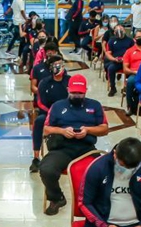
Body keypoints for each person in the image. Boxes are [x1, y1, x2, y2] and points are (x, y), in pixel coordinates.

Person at [41, 74, 109, 215]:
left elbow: (104, 128)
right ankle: (57, 197)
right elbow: (46, 129)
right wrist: (62, 131)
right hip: (62, 148)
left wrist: (88, 130)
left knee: (105, 172)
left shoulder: (95, 105)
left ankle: (95, 202)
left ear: (86, 91)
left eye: (80, 93)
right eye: (74, 92)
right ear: (68, 90)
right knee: (47, 170)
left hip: (86, 148)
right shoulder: (57, 106)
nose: (77, 95)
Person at [31, 55, 71, 173]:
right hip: (48, 113)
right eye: (56, 65)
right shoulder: (44, 82)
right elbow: (40, 102)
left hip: (67, 113)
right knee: (38, 122)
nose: (60, 67)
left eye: (61, 64)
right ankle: (36, 157)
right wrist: (52, 113)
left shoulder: (69, 81)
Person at [123, 30, 141, 116]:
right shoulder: (129, 51)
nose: (140, 39)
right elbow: (125, 69)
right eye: (138, 37)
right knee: (130, 82)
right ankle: (130, 107)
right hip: (135, 74)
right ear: (134, 39)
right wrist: (134, 72)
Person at [104, 24, 134, 97]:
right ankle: (113, 88)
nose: (119, 32)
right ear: (114, 32)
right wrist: (114, 59)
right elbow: (108, 53)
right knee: (111, 68)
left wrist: (126, 59)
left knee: (130, 70)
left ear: (124, 30)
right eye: (117, 30)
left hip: (127, 61)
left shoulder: (130, 40)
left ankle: (126, 88)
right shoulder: (112, 40)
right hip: (116, 61)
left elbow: (133, 53)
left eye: (121, 30)